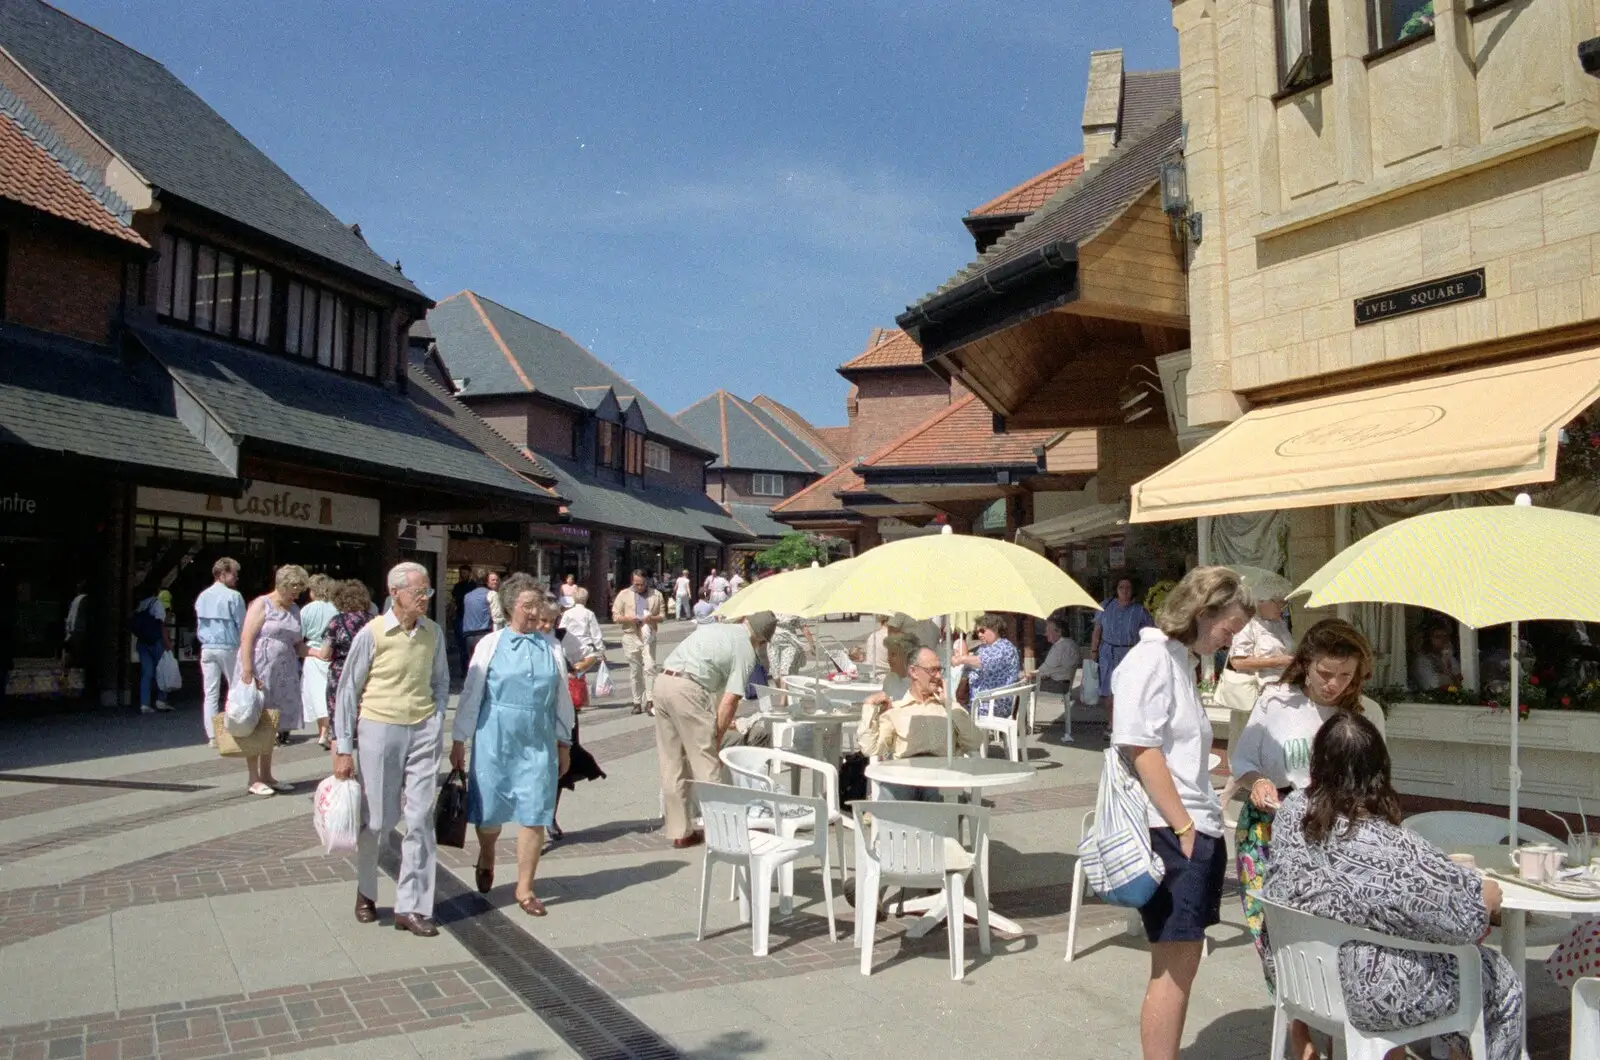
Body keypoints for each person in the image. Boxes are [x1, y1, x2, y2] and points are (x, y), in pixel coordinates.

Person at [1263, 712, 1523, 1060]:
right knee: (1497, 978)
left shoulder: (1292, 811)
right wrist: (1486, 898)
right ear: (1380, 768)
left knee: (1434, 953)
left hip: (1301, 975)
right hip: (1366, 992)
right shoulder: (1390, 846)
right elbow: (1465, 919)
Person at [1112, 565, 1252, 1060]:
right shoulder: (1152, 660)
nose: (1228, 640)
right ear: (1202, 611)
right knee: (1173, 968)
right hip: (1173, 830)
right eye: (1227, 629)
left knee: (1181, 963)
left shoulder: (1175, 659)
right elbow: (1141, 747)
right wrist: (1185, 825)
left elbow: (1166, 748)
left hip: (1187, 826)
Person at [1229, 619, 1385, 1060]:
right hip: (1269, 830)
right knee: (1280, 939)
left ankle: (1337, 1033)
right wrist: (1257, 780)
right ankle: (1304, 1041)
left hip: (1337, 837)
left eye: (1345, 676)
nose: (1334, 685)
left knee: (1334, 942)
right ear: (1305, 664)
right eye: (1325, 673)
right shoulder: (1276, 702)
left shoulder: (1366, 714)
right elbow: (1242, 761)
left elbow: (1377, 783)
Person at [333, 561, 450, 937]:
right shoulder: (373, 633)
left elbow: (441, 681)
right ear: (395, 592)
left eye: (428, 591)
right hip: (379, 728)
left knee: (419, 821)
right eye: (419, 592)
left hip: (422, 728)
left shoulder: (433, 633)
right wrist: (343, 746)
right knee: (379, 821)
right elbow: (347, 690)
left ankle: (413, 907)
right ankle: (366, 890)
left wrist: (435, 721)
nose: (425, 598)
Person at [450, 573, 574, 917]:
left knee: (535, 812)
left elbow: (561, 698)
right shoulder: (490, 644)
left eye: (538, 605)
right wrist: (459, 739)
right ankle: (487, 851)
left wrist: (564, 741)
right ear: (509, 607)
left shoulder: (551, 645)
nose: (535, 613)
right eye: (528, 605)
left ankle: (525, 888)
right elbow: (472, 694)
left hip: (538, 738)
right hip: (495, 736)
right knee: (489, 813)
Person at [654, 611, 775, 848]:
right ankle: (718, 830)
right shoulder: (746, 650)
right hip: (689, 690)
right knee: (706, 762)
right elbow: (730, 700)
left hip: (663, 682)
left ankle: (680, 832)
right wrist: (716, 737)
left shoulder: (719, 627)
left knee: (672, 762)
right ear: (761, 640)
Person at [858, 645, 979, 801]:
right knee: (890, 797)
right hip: (905, 775)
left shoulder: (949, 708)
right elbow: (871, 749)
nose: (938, 676)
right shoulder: (897, 710)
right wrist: (869, 706)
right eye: (932, 670)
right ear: (913, 671)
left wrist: (950, 704)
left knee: (940, 797)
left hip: (940, 774)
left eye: (939, 670)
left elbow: (975, 741)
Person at [236, 564, 309, 793]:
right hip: (260, 668)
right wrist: (248, 671)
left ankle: (267, 774)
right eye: (295, 588)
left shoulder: (294, 609)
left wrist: (317, 653)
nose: (297, 593)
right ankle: (253, 778)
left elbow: (297, 643)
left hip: (284, 672)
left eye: (300, 589)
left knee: (272, 723)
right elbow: (247, 637)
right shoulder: (262, 604)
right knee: (255, 720)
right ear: (283, 585)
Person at [551, 595, 606, 840]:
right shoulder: (522, 639)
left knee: (560, 765)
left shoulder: (564, 638)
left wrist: (576, 671)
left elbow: (586, 657)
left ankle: (548, 816)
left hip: (563, 711)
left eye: (553, 619)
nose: (547, 625)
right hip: (533, 713)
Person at [1091, 575, 1154, 726]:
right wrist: (1093, 652)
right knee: (1108, 690)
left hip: (1130, 654)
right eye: (1121, 587)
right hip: (1108, 653)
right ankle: (1111, 723)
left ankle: (1128, 725)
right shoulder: (1105, 606)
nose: (1125, 591)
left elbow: (1150, 632)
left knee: (1129, 690)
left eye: (1128, 588)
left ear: (1132, 590)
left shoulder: (1139, 611)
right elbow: (1097, 630)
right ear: (1116, 589)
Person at [194, 558, 244, 745]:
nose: (236, 577)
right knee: (234, 689)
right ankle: (232, 729)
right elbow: (242, 624)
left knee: (210, 693)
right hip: (228, 646)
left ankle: (213, 735)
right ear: (223, 574)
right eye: (234, 573)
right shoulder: (234, 596)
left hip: (207, 647)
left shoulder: (203, 596)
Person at [611, 569, 663, 715]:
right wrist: (629, 619)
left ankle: (650, 700)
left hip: (648, 634)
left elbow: (662, 615)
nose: (639, 587)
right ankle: (636, 701)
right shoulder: (624, 595)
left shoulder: (656, 595)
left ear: (646, 582)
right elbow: (616, 616)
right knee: (635, 671)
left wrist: (652, 618)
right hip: (631, 635)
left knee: (650, 667)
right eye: (636, 584)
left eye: (641, 584)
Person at [324, 579, 376, 723]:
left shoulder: (336, 622)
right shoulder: (374, 621)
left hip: (341, 673)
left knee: (338, 722)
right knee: (366, 719)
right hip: (367, 673)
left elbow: (325, 653)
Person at [953, 613, 1021, 718]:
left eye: (982, 631)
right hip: (984, 702)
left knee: (951, 713)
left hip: (994, 704)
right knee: (952, 709)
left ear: (995, 629)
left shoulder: (1004, 647)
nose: (979, 635)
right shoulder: (985, 648)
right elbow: (970, 666)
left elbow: (985, 662)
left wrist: (962, 659)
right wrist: (963, 681)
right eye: (977, 632)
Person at [300, 574, 338, 750]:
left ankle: (321, 731)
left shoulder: (306, 610)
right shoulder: (336, 608)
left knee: (315, 696)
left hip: (313, 654)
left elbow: (299, 635)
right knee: (329, 694)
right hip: (332, 655)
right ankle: (327, 731)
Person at [131, 582, 173, 714]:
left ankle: (145, 703)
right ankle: (161, 700)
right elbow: (161, 625)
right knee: (162, 669)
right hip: (156, 641)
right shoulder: (157, 604)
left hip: (142, 641)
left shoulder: (140, 605)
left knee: (147, 672)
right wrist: (167, 642)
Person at [557, 586, 605, 680]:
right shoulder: (589, 613)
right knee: (583, 668)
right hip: (585, 645)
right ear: (586, 599)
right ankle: (578, 684)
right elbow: (595, 633)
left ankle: (573, 685)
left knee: (571, 670)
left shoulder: (567, 613)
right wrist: (600, 649)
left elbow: (561, 629)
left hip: (569, 644)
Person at [1035, 617, 1081, 695]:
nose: (1045, 634)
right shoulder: (1072, 644)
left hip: (1057, 686)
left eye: (1048, 631)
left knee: (1025, 687)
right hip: (1065, 684)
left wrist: (1027, 674)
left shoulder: (1059, 647)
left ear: (1059, 632)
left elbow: (1042, 672)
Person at [1412, 622, 1463, 691]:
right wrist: (1445, 668)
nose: (1443, 640)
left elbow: (1461, 680)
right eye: (1438, 637)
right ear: (1429, 640)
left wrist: (1447, 663)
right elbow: (1434, 686)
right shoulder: (1422, 661)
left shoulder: (1448, 656)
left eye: (1445, 636)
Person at [767, 613, 814, 686]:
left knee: (785, 673)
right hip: (773, 645)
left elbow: (804, 628)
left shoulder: (794, 610)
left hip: (790, 644)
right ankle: (784, 694)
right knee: (775, 675)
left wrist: (812, 645)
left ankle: (784, 696)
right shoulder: (771, 609)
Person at [450, 565, 477, 675]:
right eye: (461, 573)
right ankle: (464, 670)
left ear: (469, 573)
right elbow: (453, 601)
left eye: (465, 572)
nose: (463, 575)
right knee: (462, 645)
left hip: (471, 619)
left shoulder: (473, 586)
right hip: (460, 617)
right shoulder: (457, 586)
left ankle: (472, 669)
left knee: (471, 645)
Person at [461, 575, 494, 660]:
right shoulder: (490, 594)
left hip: (469, 635)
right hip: (484, 633)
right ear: (487, 582)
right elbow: (496, 616)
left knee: (472, 664)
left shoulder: (467, 596)